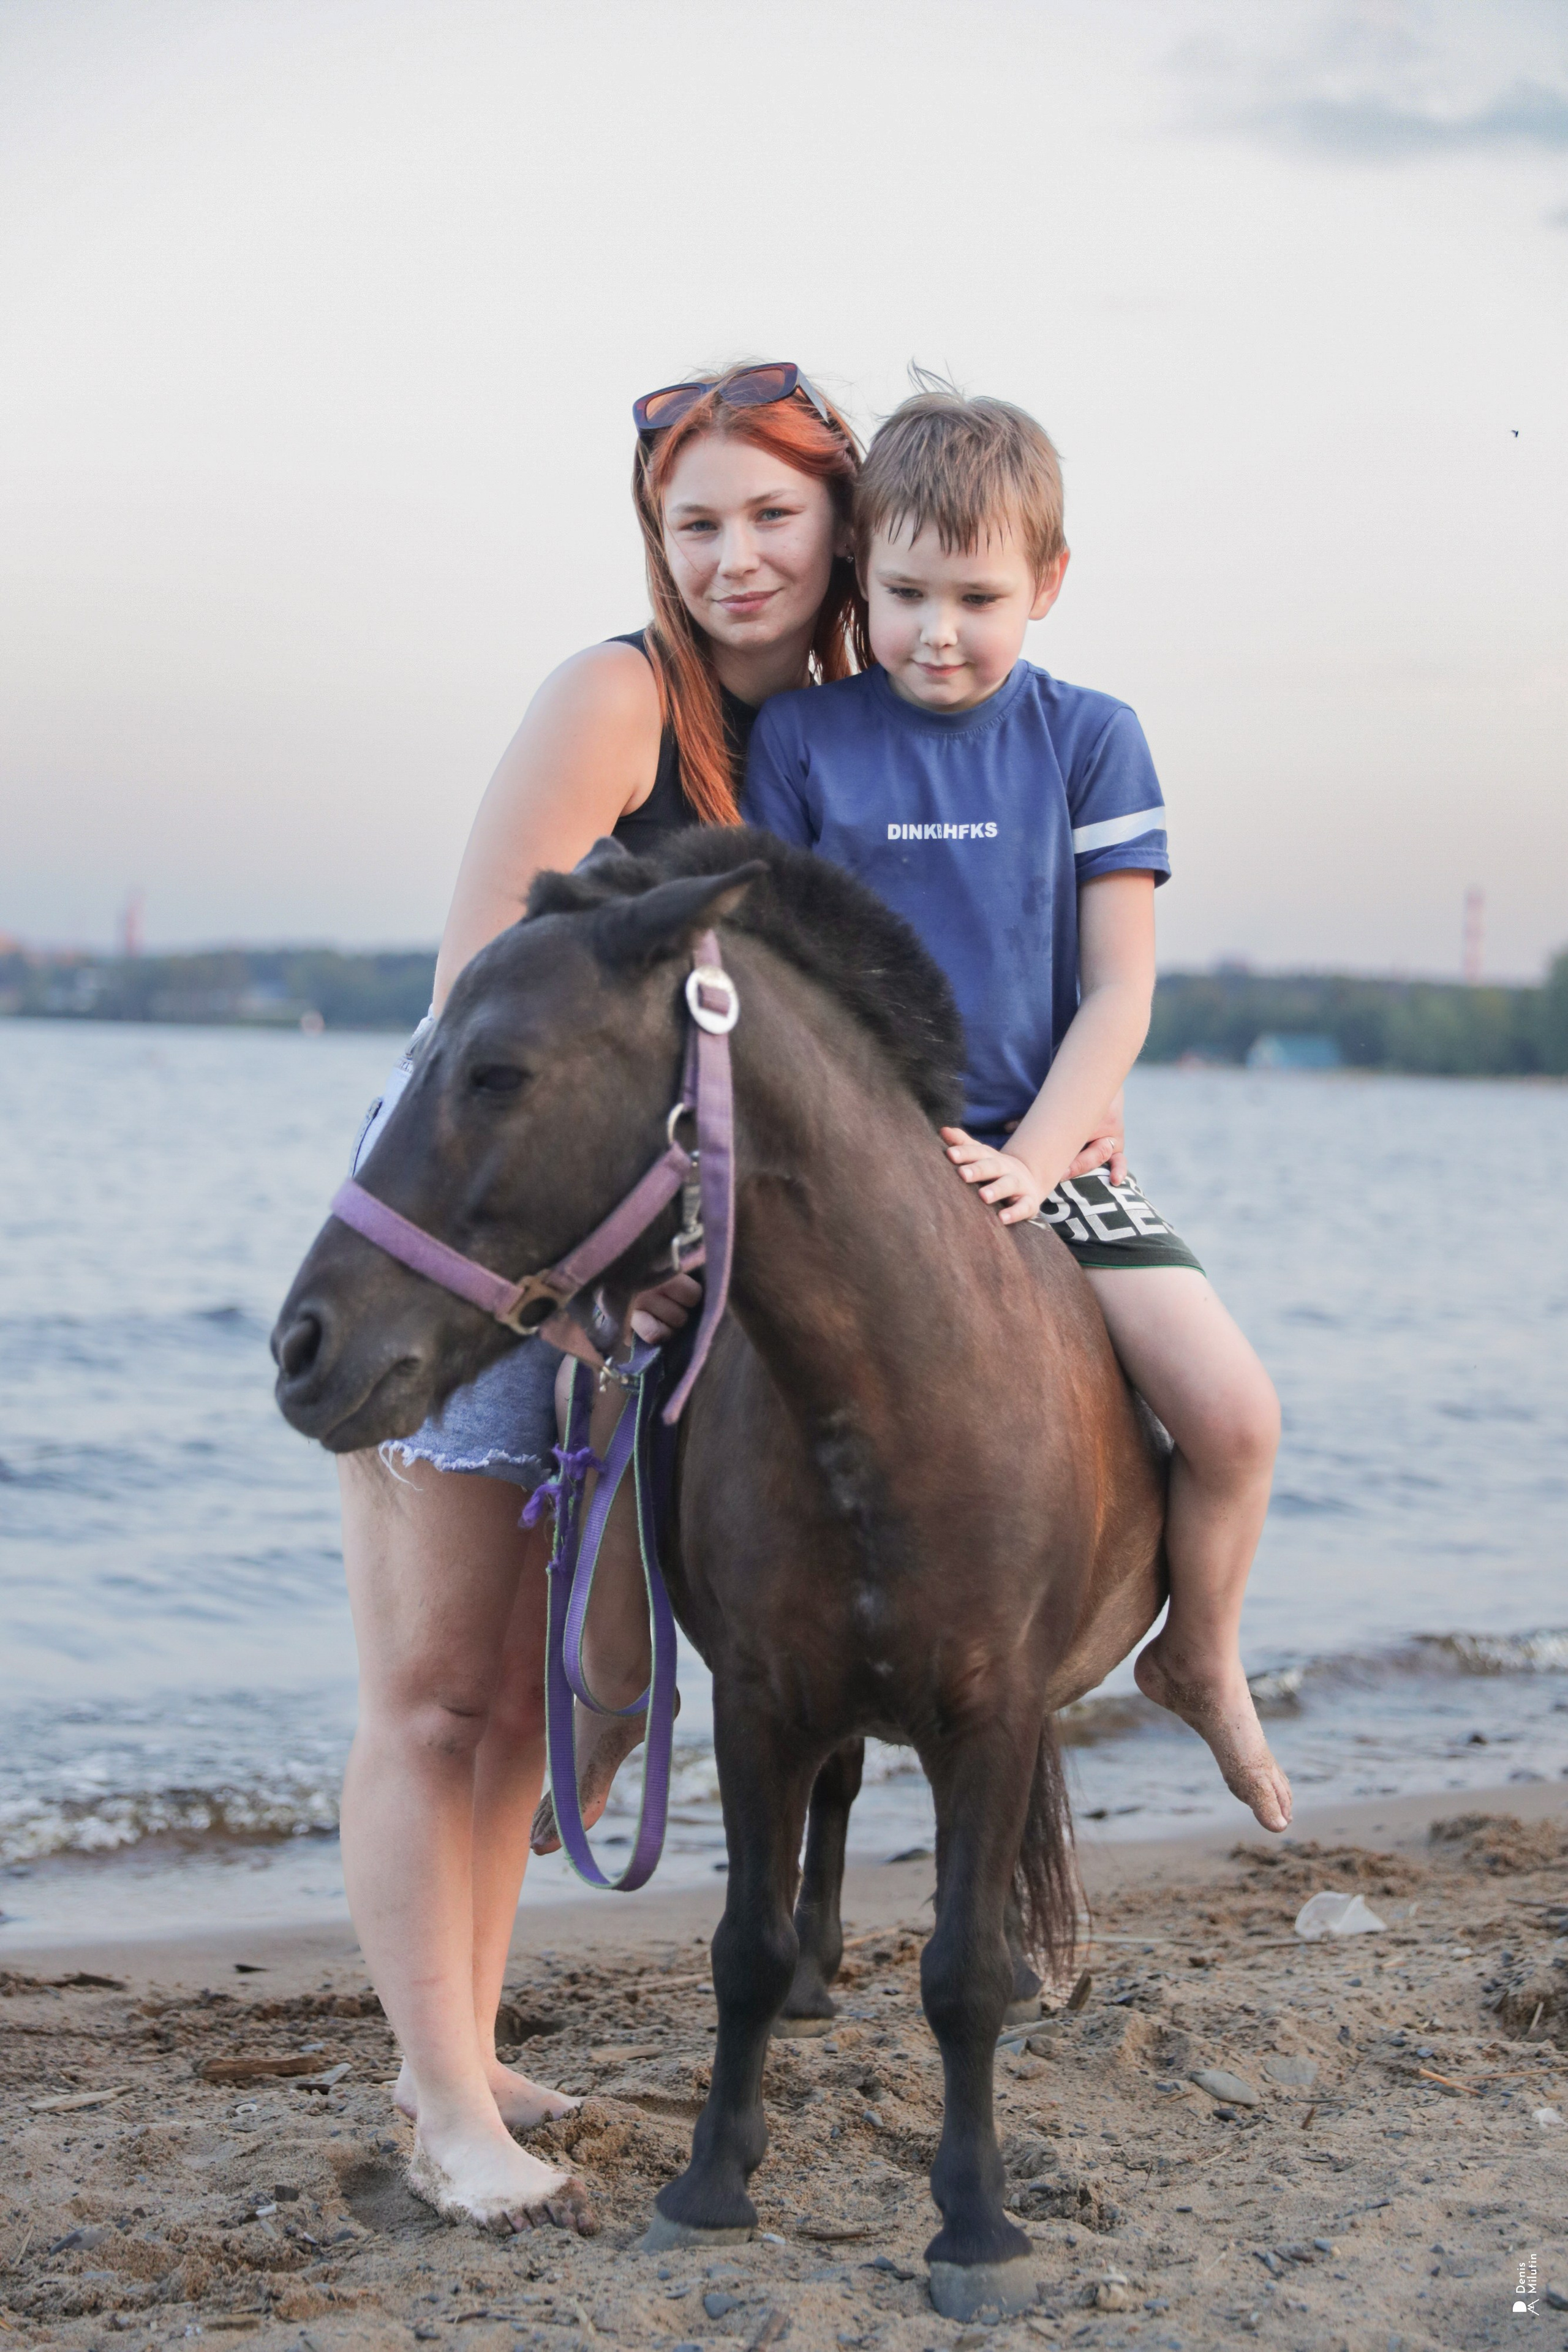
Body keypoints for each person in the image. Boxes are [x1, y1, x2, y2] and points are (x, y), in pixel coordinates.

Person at [338, 360, 866, 2230]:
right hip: (484, 1230)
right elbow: (476, 1002)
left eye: (770, 516)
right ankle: (439, 2102)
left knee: (545, 1689)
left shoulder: (836, 730)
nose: (734, 558)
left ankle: (464, 2045)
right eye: (693, 524)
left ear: (841, 520)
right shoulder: (621, 696)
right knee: (438, 1690)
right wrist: (541, 1291)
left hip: (652, 1264)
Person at [742, 380, 1291, 1836]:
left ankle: (1199, 1652)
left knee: (1236, 1417)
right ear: (859, 575)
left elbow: (1119, 993)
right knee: (643, 1386)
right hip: (855, 1165)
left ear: (1045, 583)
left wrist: (1038, 1159)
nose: (937, 632)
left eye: (977, 599)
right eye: (905, 594)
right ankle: (618, 1691)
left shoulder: (1090, 739)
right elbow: (782, 978)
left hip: (1044, 1151)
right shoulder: (799, 742)